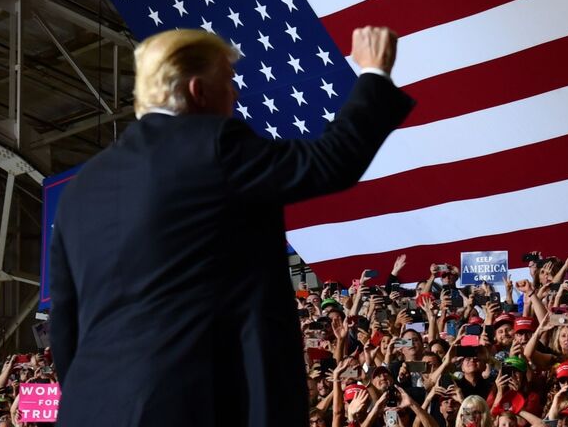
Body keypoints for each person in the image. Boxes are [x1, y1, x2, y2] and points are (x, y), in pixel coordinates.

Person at [49, 27, 412, 427]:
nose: (235, 96)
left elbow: (64, 327)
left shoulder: (80, 189)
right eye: (229, 81)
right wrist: (374, 73)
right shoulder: (211, 144)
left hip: (89, 408)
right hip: (194, 407)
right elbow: (330, 162)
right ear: (197, 90)